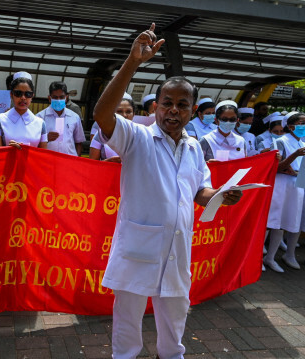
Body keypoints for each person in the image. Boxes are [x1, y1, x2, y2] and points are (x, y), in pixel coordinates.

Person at [92, 24, 242, 358]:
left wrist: (220, 195)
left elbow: (199, 191)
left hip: (177, 249)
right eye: (167, 103)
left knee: (174, 320)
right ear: (157, 106)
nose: (173, 110)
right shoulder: (137, 137)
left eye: (182, 105)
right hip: (138, 248)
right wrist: (132, 63)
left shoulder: (193, 148)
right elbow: (103, 115)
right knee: (127, 321)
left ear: (192, 110)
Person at [264, 111, 305, 272]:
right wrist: (294, 155)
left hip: (299, 185)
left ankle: (288, 254)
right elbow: (276, 167)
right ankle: (267, 257)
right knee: (275, 221)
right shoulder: (281, 141)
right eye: (301, 123)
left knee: (293, 220)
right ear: (291, 126)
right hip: (282, 185)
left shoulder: (302, 142)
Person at [0, 72, 47, 149]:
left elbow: (43, 155)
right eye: (18, 93)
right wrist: (9, 149)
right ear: (11, 94)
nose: (23, 98)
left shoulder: (41, 123)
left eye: (27, 94)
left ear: (32, 96)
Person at [36, 81, 85, 156]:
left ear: (66, 97)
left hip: (68, 162)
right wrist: (46, 139)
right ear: (49, 98)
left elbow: (79, 142)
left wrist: (76, 160)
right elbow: (33, 144)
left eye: (61, 97)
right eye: (55, 97)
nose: (58, 100)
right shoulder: (40, 118)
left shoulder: (74, 117)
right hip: (48, 162)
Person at [90, 93, 134, 162]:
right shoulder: (100, 135)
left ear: (134, 114)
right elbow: (92, 164)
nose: (124, 115)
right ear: (112, 113)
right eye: (119, 111)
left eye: (128, 112)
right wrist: (107, 162)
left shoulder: (141, 134)